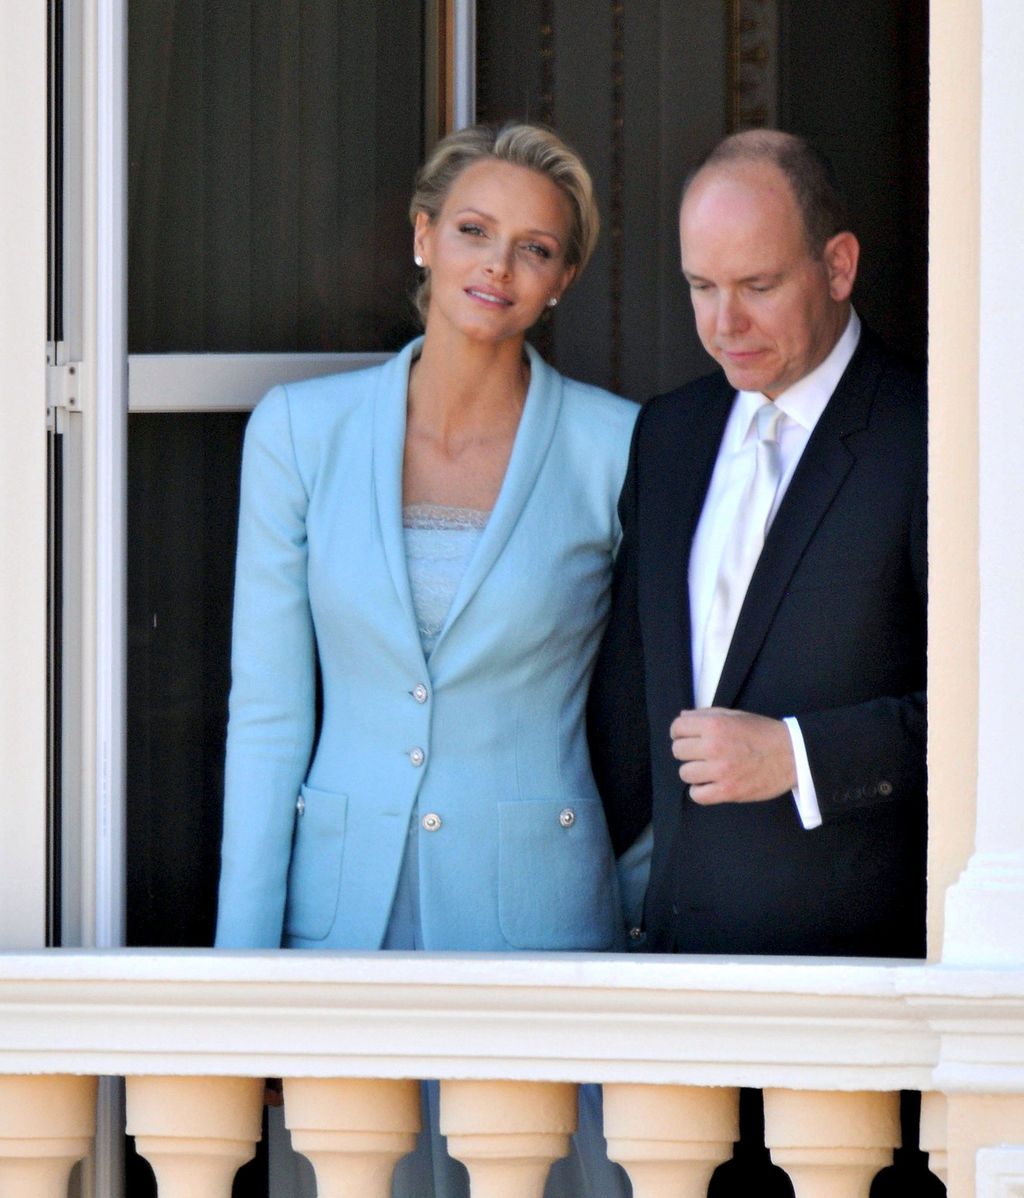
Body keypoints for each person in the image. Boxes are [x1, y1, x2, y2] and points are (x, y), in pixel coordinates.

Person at [215, 123, 637, 1197]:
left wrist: (629, 899)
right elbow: (267, 716)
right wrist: (239, 981)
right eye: (473, 231)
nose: (497, 266)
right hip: (338, 928)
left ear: (564, 279)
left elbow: (668, 691)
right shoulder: (299, 433)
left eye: (535, 248)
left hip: (542, 929)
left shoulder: (616, 447)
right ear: (421, 240)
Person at [589, 128, 927, 960]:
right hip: (676, 969)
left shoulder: (934, 434)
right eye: (701, 286)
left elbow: (997, 717)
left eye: (759, 285)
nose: (724, 321)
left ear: (839, 266)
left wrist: (797, 755)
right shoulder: (667, 435)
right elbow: (629, 706)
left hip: (856, 986)